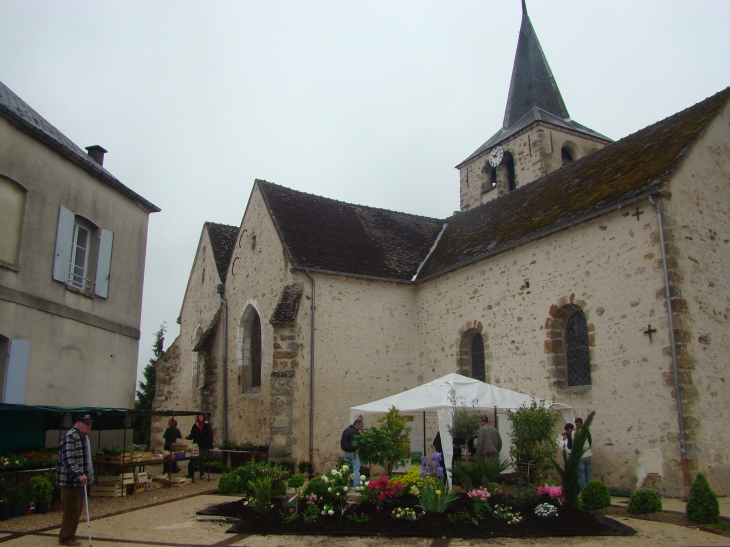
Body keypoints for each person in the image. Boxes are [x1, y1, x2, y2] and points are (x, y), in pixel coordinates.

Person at [56, 414, 94, 546]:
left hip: (78, 482)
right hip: (69, 481)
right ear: (78, 423)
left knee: (76, 509)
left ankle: (70, 534)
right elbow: (68, 459)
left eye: (90, 423)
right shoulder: (70, 436)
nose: (89, 426)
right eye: (86, 423)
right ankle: (65, 537)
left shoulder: (83, 437)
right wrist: (79, 474)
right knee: (71, 510)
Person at [186, 414, 213, 480]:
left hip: (203, 445)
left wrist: (210, 445)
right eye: (198, 416)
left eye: (200, 416)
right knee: (192, 459)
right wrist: (189, 437)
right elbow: (193, 434)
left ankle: (202, 475)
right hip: (196, 445)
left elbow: (210, 435)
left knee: (202, 460)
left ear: (203, 417)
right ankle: (190, 473)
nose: (199, 418)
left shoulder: (207, 425)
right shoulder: (195, 425)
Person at [340, 418, 363, 487]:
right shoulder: (356, 432)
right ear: (358, 425)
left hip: (346, 452)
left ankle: (349, 485)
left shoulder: (346, 431)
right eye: (361, 425)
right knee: (356, 469)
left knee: (348, 469)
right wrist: (361, 435)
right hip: (354, 453)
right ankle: (356, 486)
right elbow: (360, 442)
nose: (361, 427)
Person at [574, 417, 592, 492]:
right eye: (576, 424)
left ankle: (584, 491)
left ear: (581, 423)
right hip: (588, 454)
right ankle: (589, 490)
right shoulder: (586, 431)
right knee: (587, 473)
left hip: (582, 455)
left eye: (578, 424)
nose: (577, 426)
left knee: (582, 474)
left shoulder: (576, 432)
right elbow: (590, 441)